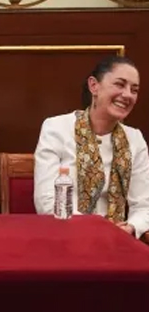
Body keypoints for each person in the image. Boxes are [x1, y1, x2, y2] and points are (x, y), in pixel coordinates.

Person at [34, 55, 148, 238]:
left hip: (117, 240)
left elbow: (144, 205)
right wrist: (95, 229)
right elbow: (46, 202)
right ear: (94, 86)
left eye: (134, 90)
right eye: (119, 84)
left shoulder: (134, 139)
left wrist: (131, 227)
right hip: (65, 236)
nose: (128, 95)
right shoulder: (56, 129)